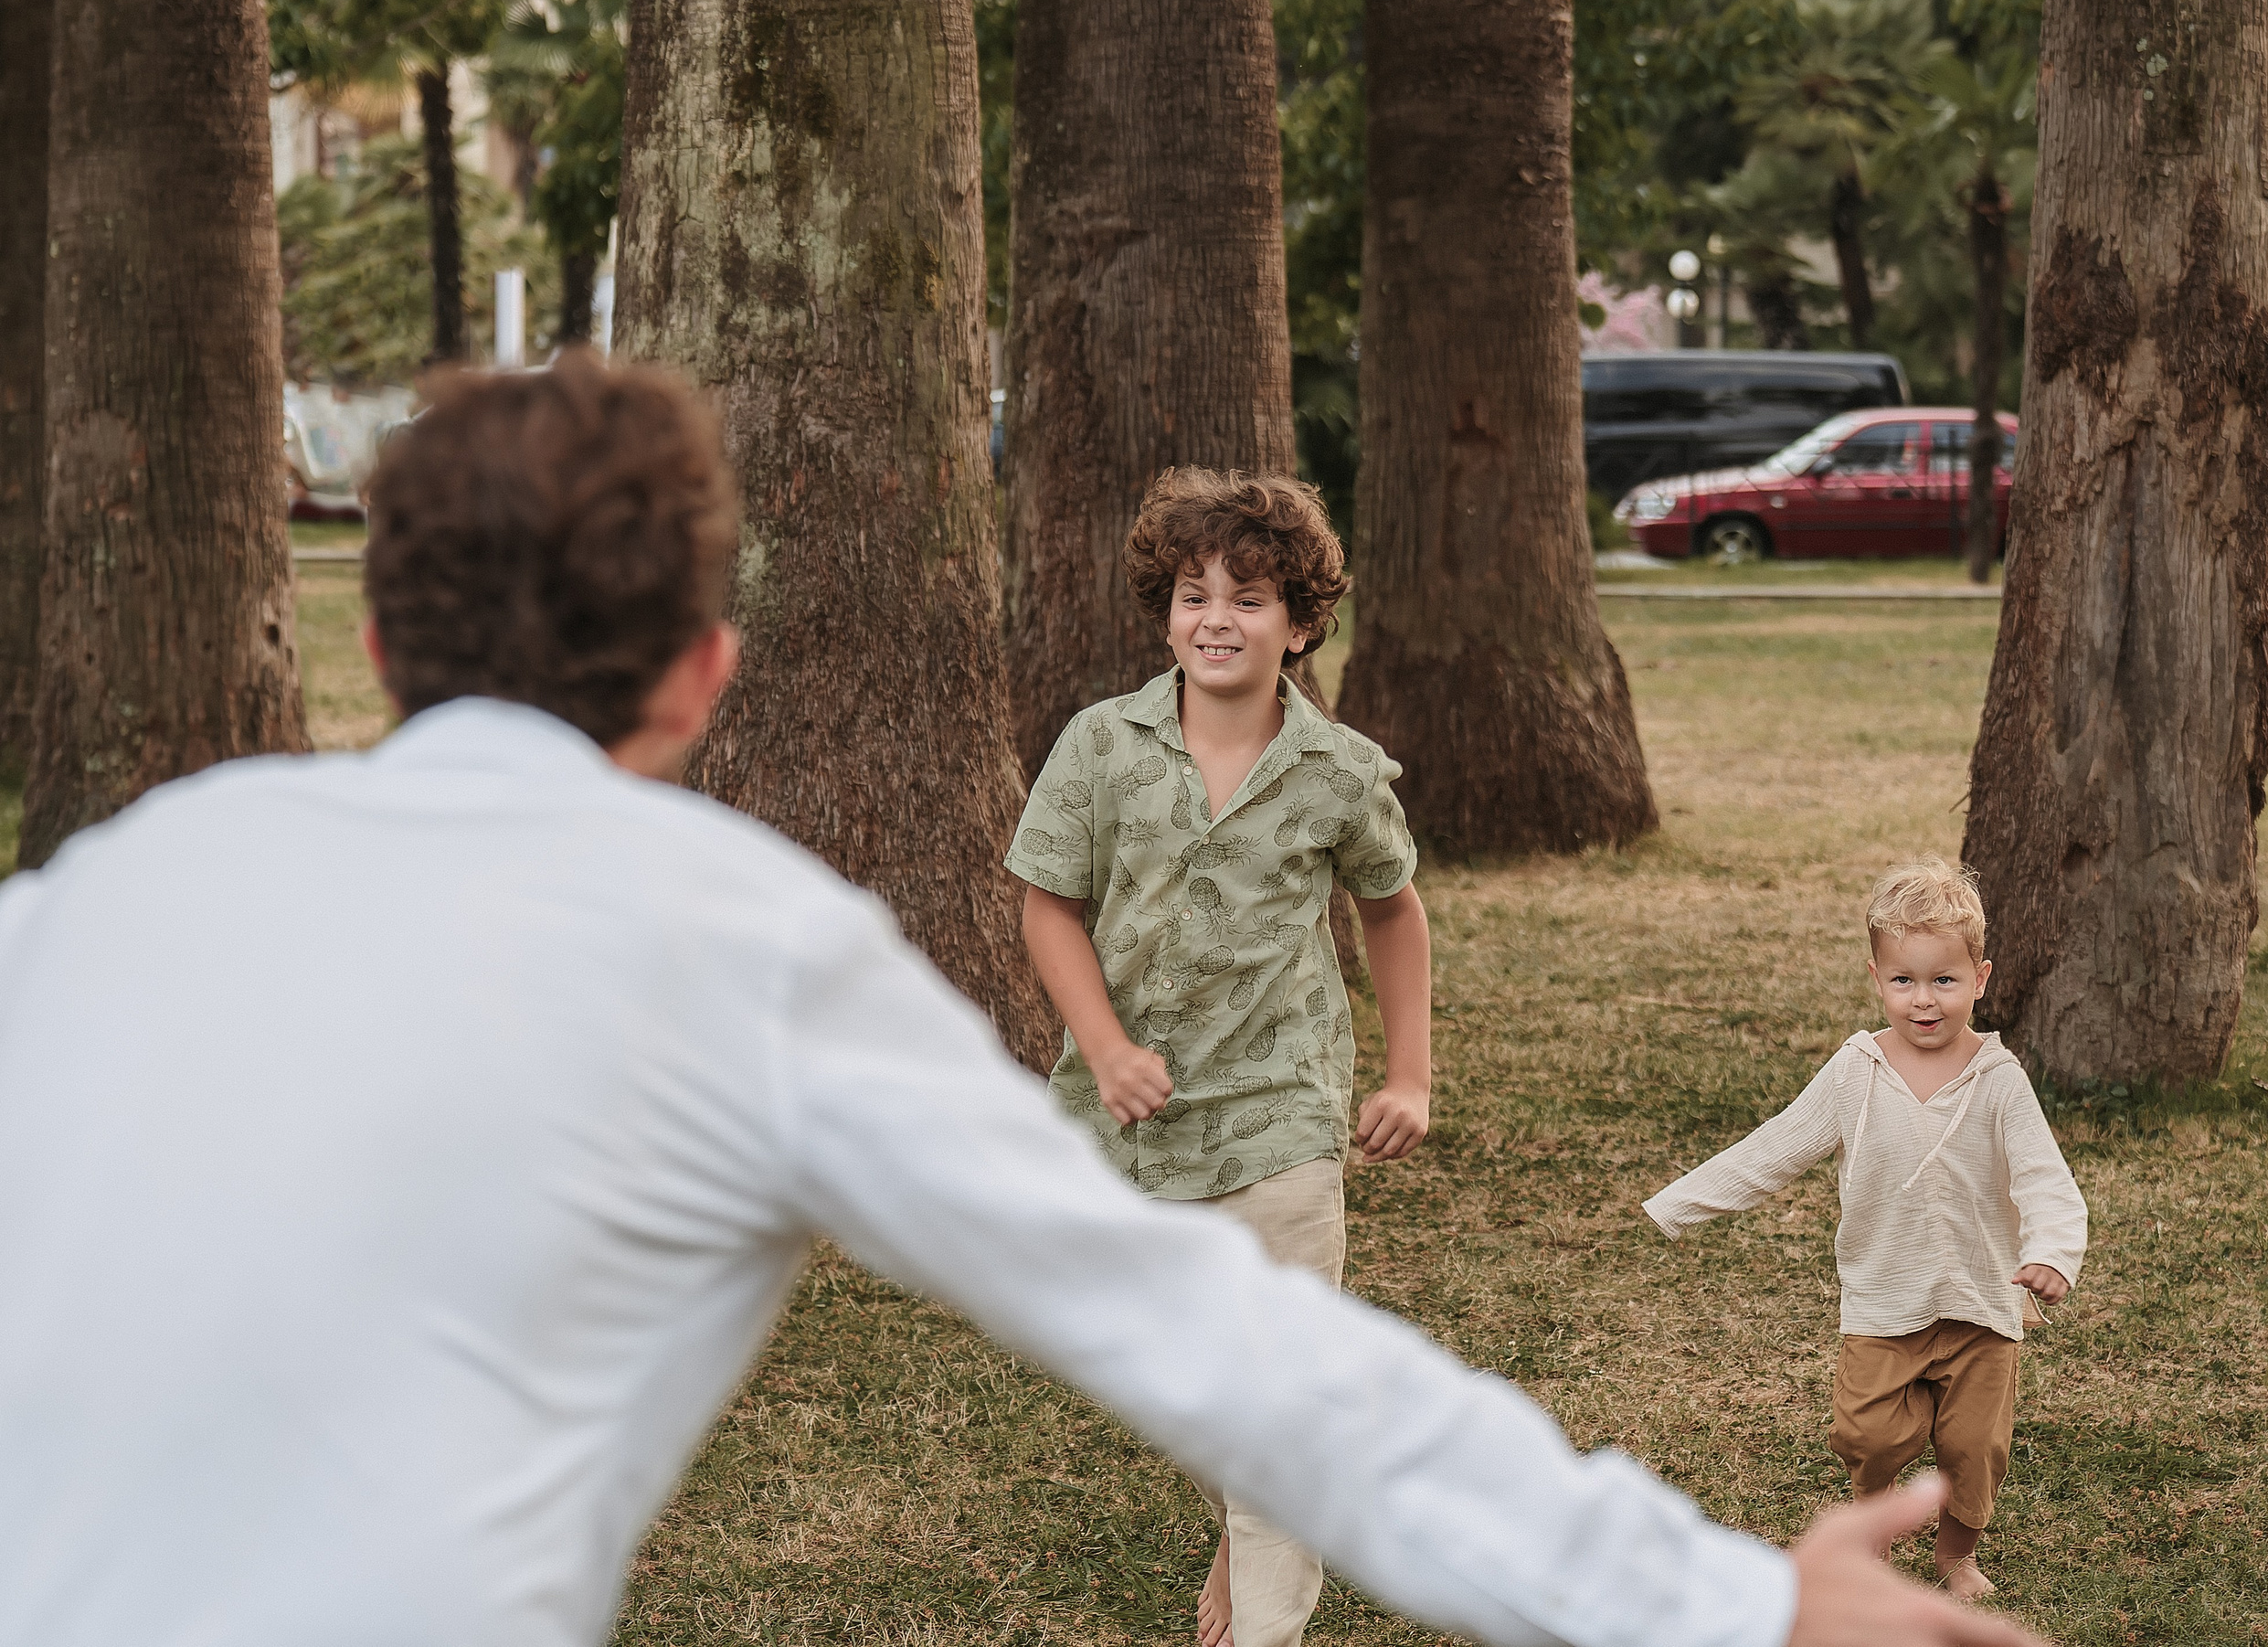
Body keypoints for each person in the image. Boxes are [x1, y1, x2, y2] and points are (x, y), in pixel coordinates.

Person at [0, 354, 2042, 1647]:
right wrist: (1719, 1599)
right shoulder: (741, 949)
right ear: (706, 672)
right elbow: (1213, 1341)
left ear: (375, 638)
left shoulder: (101, 890)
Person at [1007, 468, 1430, 1647]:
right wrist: (1105, 1048)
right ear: (1165, 614)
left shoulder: (1339, 772)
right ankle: (1249, 1521)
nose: (1217, 619)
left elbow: (1392, 910)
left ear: (1298, 625)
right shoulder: (1102, 744)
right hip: (1125, 1125)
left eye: (1249, 598)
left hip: (1280, 1116)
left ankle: (1266, 1607)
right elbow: (1048, 905)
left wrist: (1408, 1074)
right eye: (1194, 594)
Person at [1645, 857, 2089, 1600]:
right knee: (1868, 1434)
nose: (1924, 999)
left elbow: (2045, 1178)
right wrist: (1679, 1202)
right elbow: (1776, 1147)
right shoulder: (1857, 1070)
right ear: (1877, 977)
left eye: (1944, 979)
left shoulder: (1999, 1079)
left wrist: (2051, 1252)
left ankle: (1955, 1556)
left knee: (1975, 1446)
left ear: (1980, 978)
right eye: (1904, 980)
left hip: (1982, 1302)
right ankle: (1873, 1532)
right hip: (1884, 1299)